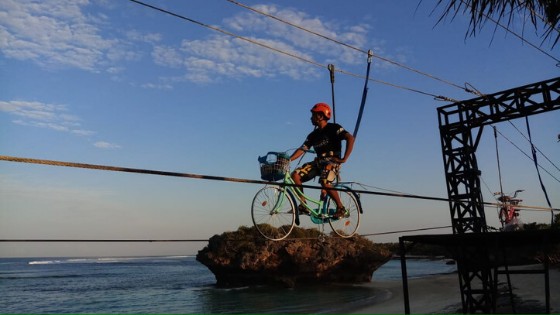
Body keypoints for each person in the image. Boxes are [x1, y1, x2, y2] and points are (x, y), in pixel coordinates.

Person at [289, 102, 355, 219]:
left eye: (313, 115)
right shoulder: (312, 135)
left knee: (324, 181)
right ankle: (303, 205)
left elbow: (350, 138)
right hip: (318, 163)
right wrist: (289, 160)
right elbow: (302, 149)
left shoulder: (334, 128)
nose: (310, 118)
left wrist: (344, 158)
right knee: (295, 175)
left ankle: (341, 208)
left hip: (332, 162)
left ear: (320, 116)